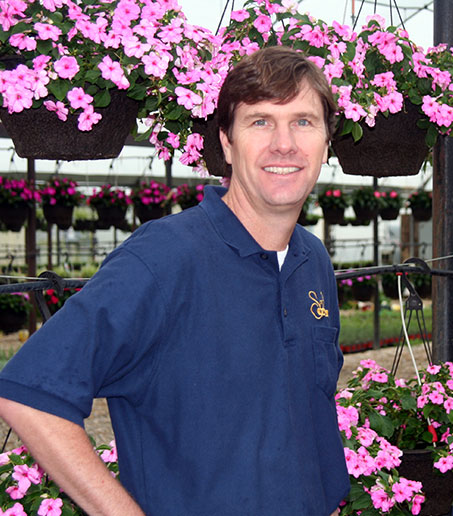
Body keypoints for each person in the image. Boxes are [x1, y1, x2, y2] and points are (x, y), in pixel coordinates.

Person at [0, 46, 349, 515]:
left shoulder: (313, 260)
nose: (283, 143)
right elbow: (30, 395)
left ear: (326, 141)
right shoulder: (164, 258)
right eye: (260, 121)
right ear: (226, 142)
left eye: (303, 122)